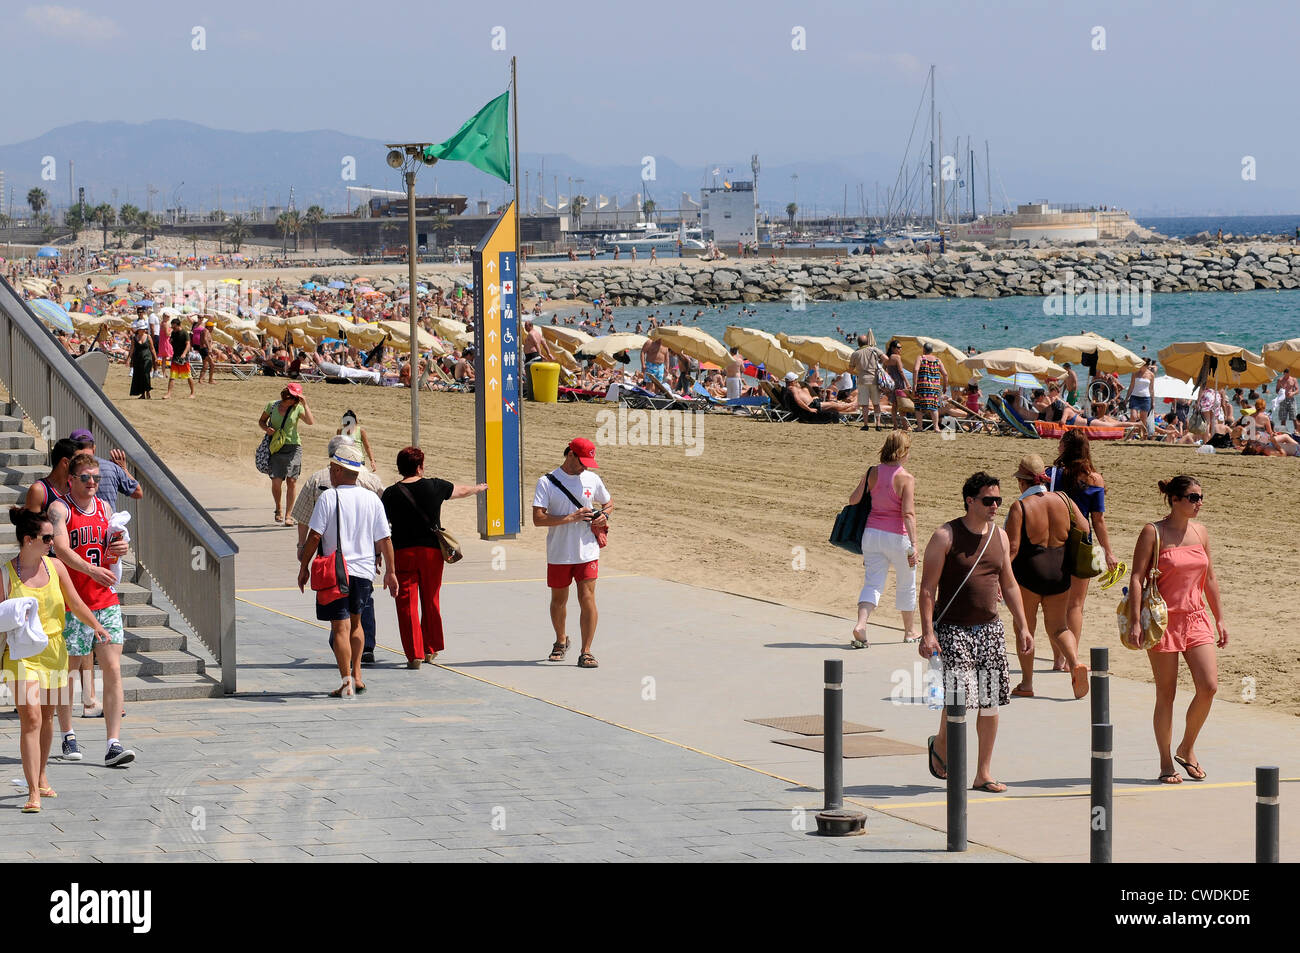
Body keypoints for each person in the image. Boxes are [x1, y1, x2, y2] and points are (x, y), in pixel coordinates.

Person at [918, 472, 1034, 794]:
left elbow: (1009, 584)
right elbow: (927, 589)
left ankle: (983, 772)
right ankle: (941, 745)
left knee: (991, 701)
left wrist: (1023, 625)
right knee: (959, 698)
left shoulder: (1000, 537)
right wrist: (928, 633)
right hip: (953, 629)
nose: (995, 505)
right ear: (970, 501)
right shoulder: (945, 536)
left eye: (998, 500)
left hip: (990, 629)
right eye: (988, 500)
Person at [3, 508, 111, 812]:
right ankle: (32, 795)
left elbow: (75, 603)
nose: (53, 542)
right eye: (47, 537)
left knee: (48, 717)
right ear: (28, 540)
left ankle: (41, 776)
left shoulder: (56, 568)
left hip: (55, 651)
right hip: (21, 654)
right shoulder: (5, 574)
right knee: (32, 718)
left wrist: (96, 625)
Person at [1128, 476, 1227, 783]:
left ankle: (1186, 748)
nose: (1199, 503)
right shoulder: (1153, 532)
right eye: (1193, 497)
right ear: (1174, 499)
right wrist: (1135, 621)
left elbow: (1209, 578)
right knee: (1166, 694)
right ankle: (1165, 762)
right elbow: (1135, 578)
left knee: (1209, 687)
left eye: (1201, 497)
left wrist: (1220, 618)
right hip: (1162, 621)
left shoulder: (1201, 532)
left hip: (1196, 618)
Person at [48, 454, 134, 767]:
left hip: (105, 599)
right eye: (86, 477)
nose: (92, 482)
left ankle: (113, 742)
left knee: (112, 667)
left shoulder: (105, 508)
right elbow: (60, 548)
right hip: (72, 601)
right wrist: (90, 570)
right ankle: (68, 732)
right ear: (71, 479)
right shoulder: (61, 509)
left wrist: (121, 546)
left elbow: (113, 544)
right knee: (70, 671)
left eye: (96, 477)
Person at [297, 445, 398, 697]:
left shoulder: (329, 497)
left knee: (339, 627)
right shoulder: (372, 498)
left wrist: (304, 566)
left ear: (339, 470)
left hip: (336, 572)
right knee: (356, 624)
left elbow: (314, 536)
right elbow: (385, 539)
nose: (330, 471)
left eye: (332, 467)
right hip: (364, 572)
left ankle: (346, 683)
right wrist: (391, 572)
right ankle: (358, 675)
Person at [381, 446, 487, 668]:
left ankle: (414, 654)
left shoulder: (390, 494)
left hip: (402, 552)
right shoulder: (434, 486)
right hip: (431, 553)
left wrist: (378, 555)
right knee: (431, 599)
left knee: (406, 603)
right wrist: (478, 488)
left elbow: (382, 528)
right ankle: (430, 648)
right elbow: (461, 490)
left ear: (400, 468)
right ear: (420, 467)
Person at [1005, 455, 1089, 699]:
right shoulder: (1063, 499)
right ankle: (1074, 663)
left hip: (1029, 573)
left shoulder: (1020, 506)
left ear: (1022, 482)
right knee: (1059, 627)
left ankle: (1027, 683)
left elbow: (1012, 548)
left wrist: (999, 578)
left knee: (1025, 627)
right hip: (1059, 572)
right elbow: (1084, 528)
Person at [532, 438, 612, 669]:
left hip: (588, 550)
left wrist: (604, 515)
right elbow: (538, 519)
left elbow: (608, 503)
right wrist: (570, 518)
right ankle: (560, 641)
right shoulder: (546, 482)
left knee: (587, 598)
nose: (586, 466)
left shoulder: (592, 478)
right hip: (559, 552)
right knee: (559, 600)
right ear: (570, 455)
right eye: (583, 461)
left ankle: (586, 651)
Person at [1046, 431, 1120, 669]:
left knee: (1054, 604)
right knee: (1075, 605)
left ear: (1064, 448)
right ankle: (1071, 659)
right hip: (1081, 544)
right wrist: (1108, 552)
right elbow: (1098, 520)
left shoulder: (1050, 475)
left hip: (1053, 542)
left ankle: (1058, 658)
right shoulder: (1094, 479)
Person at [847, 432, 918, 647]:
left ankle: (861, 624)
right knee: (907, 584)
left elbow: (853, 500)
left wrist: (865, 479)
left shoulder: (872, 472)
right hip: (897, 537)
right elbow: (908, 514)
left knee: (873, 583)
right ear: (904, 452)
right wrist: (914, 545)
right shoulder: (906, 478)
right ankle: (909, 631)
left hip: (871, 535)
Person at [259, 383, 314, 525]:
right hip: (277, 447)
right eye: (294, 397)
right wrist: (266, 428)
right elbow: (261, 421)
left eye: (297, 398)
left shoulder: (297, 408)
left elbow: (310, 422)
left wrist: (305, 404)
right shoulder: (271, 406)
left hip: (294, 447)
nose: (295, 400)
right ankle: (278, 508)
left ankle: (289, 515)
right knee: (276, 482)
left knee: (292, 481)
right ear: (286, 395)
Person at [67, 430, 142, 512]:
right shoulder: (112, 468)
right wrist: (123, 469)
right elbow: (138, 492)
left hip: (75, 521)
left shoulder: (66, 468)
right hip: (106, 522)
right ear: (94, 448)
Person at [849, 331, 886, 431]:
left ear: (858, 343)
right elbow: (886, 358)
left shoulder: (855, 353)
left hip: (862, 380)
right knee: (876, 403)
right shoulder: (874, 350)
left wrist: (858, 373)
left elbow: (850, 369)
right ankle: (878, 425)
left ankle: (866, 425)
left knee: (865, 404)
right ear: (868, 342)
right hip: (874, 379)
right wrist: (880, 365)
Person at [912, 343, 948, 431]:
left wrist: (915, 384)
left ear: (924, 349)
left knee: (918, 406)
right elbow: (945, 374)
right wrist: (945, 386)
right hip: (935, 387)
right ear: (932, 350)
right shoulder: (937, 360)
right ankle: (936, 427)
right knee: (934, 407)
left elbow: (916, 370)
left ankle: (920, 427)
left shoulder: (921, 357)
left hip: (923, 385)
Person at [161, 318, 194, 399]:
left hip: (183, 358)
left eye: (174, 327)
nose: (173, 328)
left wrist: (184, 354)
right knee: (172, 376)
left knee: (188, 376)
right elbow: (171, 341)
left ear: (179, 325)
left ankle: (192, 393)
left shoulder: (184, 333)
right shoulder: (173, 333)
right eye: (172, 327)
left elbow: (188, 345)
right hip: (175, 356)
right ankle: (169, 394)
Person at [883, 340, 911, 430]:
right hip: (899, 382)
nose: (900, 349)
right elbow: (901, 371)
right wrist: (907, 382)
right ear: (893, 348)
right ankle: (905, 426)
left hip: (891, 383)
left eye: (901, 347)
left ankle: (895, 425)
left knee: (894, 405)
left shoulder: (887, 358)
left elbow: (884, 370)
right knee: (902, 404)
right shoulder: (896, 357)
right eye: (898, 347)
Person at [1126, 358, 1157, 434]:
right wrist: (1127, 398)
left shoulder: (1151, 375)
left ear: (1146, 365)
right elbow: (1131, 386)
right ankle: (1130, 436)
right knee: (1133, 417)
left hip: (1146, 398)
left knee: (1143, 419)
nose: (1140, 366)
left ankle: (1142, 435)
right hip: (1135, 397)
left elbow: (1151, 389)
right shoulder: (1135, 373)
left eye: (1142, 365)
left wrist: (1153, 402)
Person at [128, 326, 156, 399]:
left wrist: (155, 358)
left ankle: (148, 392)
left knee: (146, 374)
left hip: (147, 358)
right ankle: (143, 393)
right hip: (137, 359)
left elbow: (152, 348)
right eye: (142, 329)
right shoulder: (134, 338)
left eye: (144, 329)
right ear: (138, 330)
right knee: (139, 376)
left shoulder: (148, 337)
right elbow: (132, 349)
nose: (144, 330)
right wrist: (128, 359)